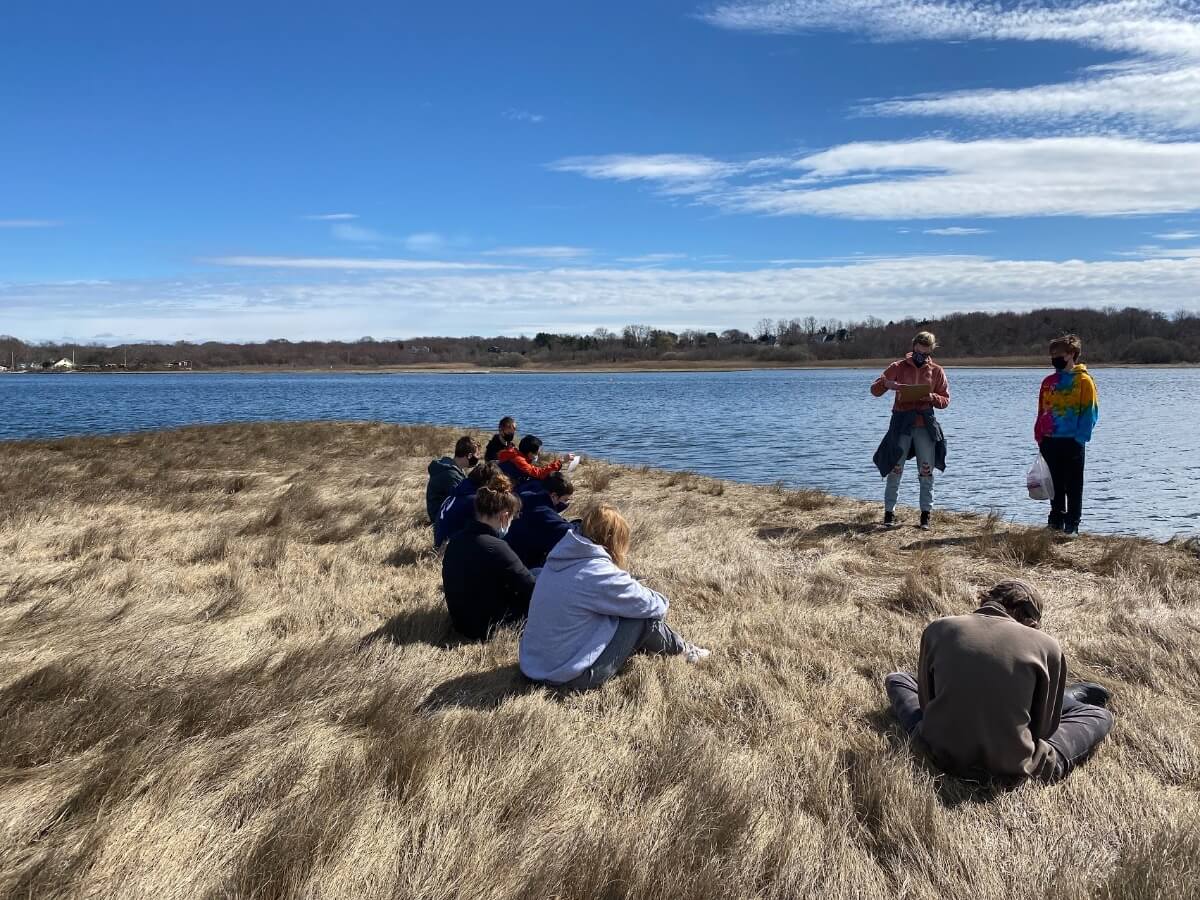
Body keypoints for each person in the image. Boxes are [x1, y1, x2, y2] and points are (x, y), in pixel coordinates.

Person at [884, 580, 1113, 784]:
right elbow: (1042, 729)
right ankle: (1066, 703)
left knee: (899, 679)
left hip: (937, 748)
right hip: (1012, 764)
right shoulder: (1047, 645)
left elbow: (927, 704)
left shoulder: (938, 628)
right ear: (1024, 614)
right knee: (1100, 716)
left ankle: (1064, 698)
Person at [519, 504, 709, 693]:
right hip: (568, 677)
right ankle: (685, 651)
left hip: (533, 666)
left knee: (620, 610)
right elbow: (655, 606)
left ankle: (660, 646)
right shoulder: (598, 572)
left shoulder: (560, 558)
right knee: (643, 619)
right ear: (612, 539)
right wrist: (646, 593)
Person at [871, 330, 950, 531]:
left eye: (926, 351)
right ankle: (889, 514)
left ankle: (925, 516)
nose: (921, 354)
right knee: (895, 469)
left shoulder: (937, 371)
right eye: (919, 350)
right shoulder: (897, 367)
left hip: (925, 425)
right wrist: (887, 384)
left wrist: (931, 397)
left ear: (931, 350)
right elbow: (874, 390)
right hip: (901, 424)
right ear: (913, 346)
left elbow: (945, 400)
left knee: (926, 470)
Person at [441, 476, 535, 640]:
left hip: (460, 621)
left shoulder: (456, 540)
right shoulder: (496, 547)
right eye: (512, 518)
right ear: (505, 517)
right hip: (488, 628)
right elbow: (532, 588)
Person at [1035, 334, 1098, 537]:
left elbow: (1090, 412)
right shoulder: (1048, 381)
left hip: (1072, 440)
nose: (1054, 358)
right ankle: (1056, 520)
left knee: (1073, 484)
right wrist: (1039, 434)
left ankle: (1073, 523)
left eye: (1058, 354)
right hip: (1049, 439)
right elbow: (1042, 409)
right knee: (1054, 482)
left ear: (1071, 354)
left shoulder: (1084, 381)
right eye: (1052, 354)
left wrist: (1080, 438)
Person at [505, 472, 578, 570]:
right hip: (523, 563)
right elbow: (569, 531)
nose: (566, 503)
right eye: (565, 499)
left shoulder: (525, 496)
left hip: (509, 551)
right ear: (554, 496)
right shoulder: (544, 512)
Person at [433, 461, 502, 548]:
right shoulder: (474, 500)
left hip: (442, 544)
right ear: (488, 482)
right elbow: (490, 531)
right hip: (452, 549)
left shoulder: (458, 493)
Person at [425, 436, 480, 526]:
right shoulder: (451, 474)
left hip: (440, 511)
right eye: (477, 454)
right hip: (439, 517)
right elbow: (463, 499)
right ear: (469, 456)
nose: (478, 458)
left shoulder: (452, 466)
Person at [498, 435, 568, 486]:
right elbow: (539, 474)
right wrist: (560, 461)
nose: (538, 453)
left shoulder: (514, 453)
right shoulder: (519, 460)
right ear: (530, 453)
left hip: (512, 482)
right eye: (537, 452)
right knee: (541, 484)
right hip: (513, 488)